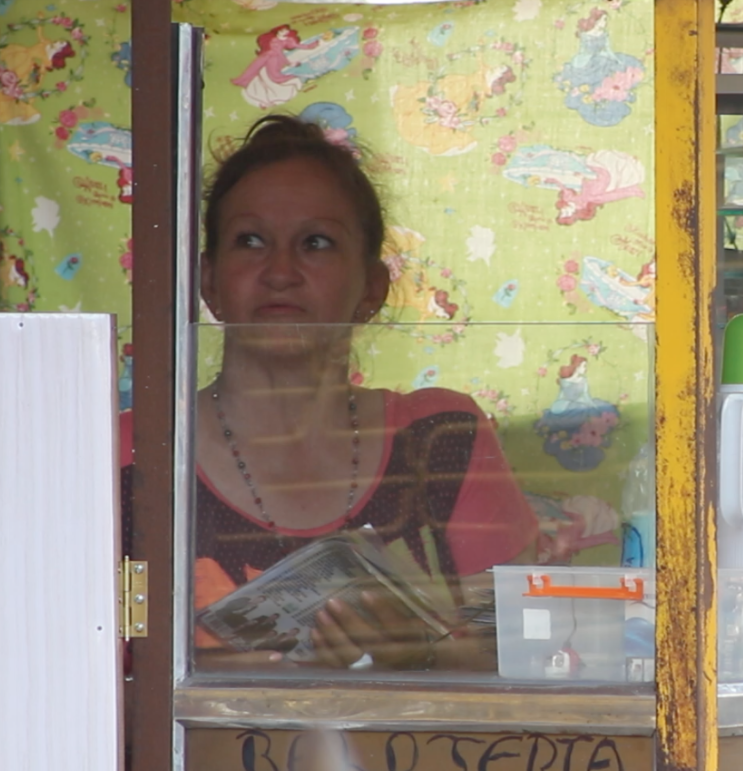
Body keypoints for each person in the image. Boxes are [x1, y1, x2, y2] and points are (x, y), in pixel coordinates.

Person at [119, 115, 538, 672]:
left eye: (316, 243)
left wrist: (422, 655)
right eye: (251, 241)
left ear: (372, 288)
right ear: (209, 282)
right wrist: (226, 678)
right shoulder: (132, 450)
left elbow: (525, 654)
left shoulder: (442, 438)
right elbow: (72, 667)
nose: (281, 271)